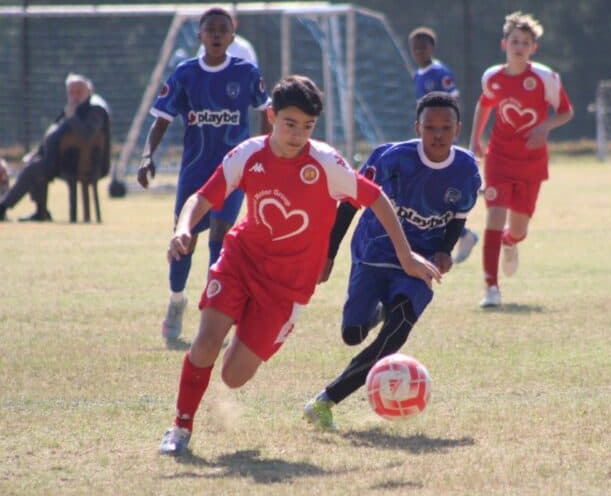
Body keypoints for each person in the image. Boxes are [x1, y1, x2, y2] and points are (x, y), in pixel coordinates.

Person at [158, 75, 441, 455]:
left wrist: (406, 256)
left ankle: (243, 326)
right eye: (290, 124)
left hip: (287, 286)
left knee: (233, 376)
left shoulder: (325, 163)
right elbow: (202, 197)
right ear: (271, 116)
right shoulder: (248, 154)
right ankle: (180, 427)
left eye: (307, 126)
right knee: (206, 341)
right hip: (241, 261)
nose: (297, 135)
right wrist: (182, 229)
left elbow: (376, 198)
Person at [303, 92, 481, 430]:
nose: (438, 135)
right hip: (373, 254)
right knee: (353, 334)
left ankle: (325, 400)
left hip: (418, 263)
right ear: (417, 128)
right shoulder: (390, 158)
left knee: (396, 333)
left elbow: (458, 216)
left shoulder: (466, 169)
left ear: (458, 129)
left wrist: (444, 249)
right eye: (430, 127)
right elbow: (349, 203)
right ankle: (380, 310)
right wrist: (328, 254)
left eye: (446, 128)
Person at [137, 7, 270, 342]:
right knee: (185, 239)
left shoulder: (246, 72)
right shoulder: (185, 74)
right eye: (210, 29)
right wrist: (147, 156)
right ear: (200, 36)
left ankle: (213, 311)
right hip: (194, 171)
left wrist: (263, 152)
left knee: (220, 237)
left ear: (232, 36)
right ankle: (176, 300)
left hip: (233, 170)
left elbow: (265, 111)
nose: (216, 34)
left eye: (223, 29)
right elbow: (162, 120)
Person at [468, 11, 574, 308]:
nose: (519, 47)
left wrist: (544, 127)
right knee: (494, 217)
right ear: (505, 44)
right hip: (499, 159)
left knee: (518, 230)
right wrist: (475, 139)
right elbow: (484, 104)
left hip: (531, 163)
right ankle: (491, 288)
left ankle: (510, 241)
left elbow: (565, 111)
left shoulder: (545, 78)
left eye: (525, 43)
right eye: (515, 41)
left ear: (533, 48)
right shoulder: (492, 77)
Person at [408, 26, 479, 265]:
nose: (419, 51)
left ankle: (461, 233)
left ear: (432, 48)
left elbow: (453, 100)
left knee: (440, 192)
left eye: (423, 47)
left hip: (442, 143)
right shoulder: (417, 75)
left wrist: (447, 132)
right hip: (428, 141)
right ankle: (463, 235)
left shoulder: (440, 72)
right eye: (415, 48)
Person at [0, 73, 109, 222]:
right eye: (71, 92)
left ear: (89, 91)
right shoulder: (72, 109)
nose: (74, 96)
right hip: (59, 161)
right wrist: (36, 152)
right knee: (32, 163)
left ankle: (3, 206)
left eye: (78, 92)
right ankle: (40, 211)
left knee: (32, 169)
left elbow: (87, 135)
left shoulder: (95, 110)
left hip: (81, 165)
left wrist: (72, 117)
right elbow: (51, 135)